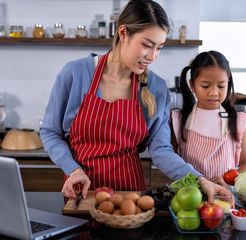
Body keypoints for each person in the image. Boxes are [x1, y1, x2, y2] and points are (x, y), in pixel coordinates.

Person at [40, 0, 232, 203]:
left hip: (131, 196)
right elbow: (50, 132)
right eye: (147, 45)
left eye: (159, 47)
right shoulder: (75, 73)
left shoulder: (156, 88)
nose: (153, 56)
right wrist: (73, 170)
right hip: (81, 192)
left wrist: (198, 179)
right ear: (123, 33)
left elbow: (161, 151)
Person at [171, 50, 246, 189]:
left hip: (225, 197)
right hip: (190, 198)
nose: (214, 92)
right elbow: (172, 163)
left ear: (228, 83)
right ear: (192, 85)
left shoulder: (237, 121)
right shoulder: (178, 120)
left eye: (221, 86)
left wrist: (231, 183)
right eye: (205, 86)